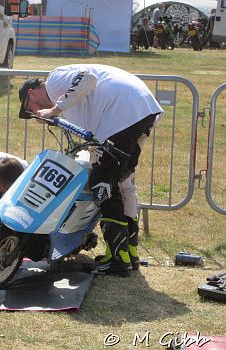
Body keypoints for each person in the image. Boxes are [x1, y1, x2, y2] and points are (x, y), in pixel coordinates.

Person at [18, 64, 163, 276]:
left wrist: (54, 110)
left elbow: (87, 78)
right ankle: (129, 253)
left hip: (123, 111)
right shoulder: (68, 100)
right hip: (141, 108)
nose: (34, 113)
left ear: (32, 92)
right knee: (123, 183)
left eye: (29, 108)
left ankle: (118, 259)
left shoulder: (54, 80)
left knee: (102, 183)